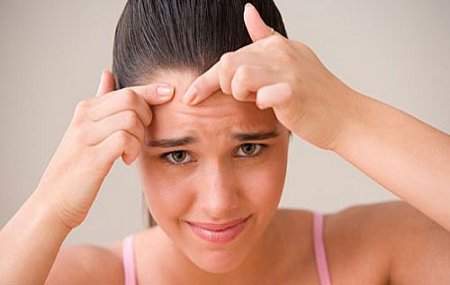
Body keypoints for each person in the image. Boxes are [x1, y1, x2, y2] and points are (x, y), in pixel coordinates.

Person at [1, 0, 449, 284]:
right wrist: (51, 207)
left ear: (292, 128)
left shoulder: (379, 253)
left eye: (249, 148)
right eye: (177, 155)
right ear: (130, 144)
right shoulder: (88, 278)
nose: (218, 203)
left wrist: (348, 118)